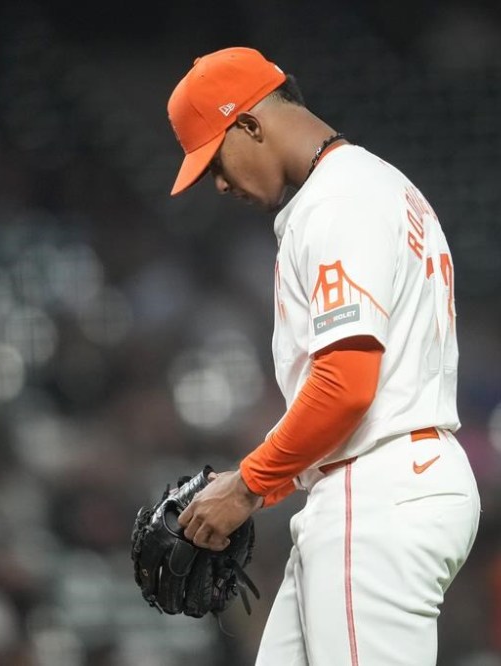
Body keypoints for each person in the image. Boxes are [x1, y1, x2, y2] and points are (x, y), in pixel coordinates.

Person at [166, 46, 481, 665]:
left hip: (380, 490)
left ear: (248, 124)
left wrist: (248, 485)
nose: (220, 183)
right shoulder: (373, 185)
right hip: (377, 481)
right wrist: (257, 482)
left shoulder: (340, 201)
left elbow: (346, 384)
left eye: (215, 161)